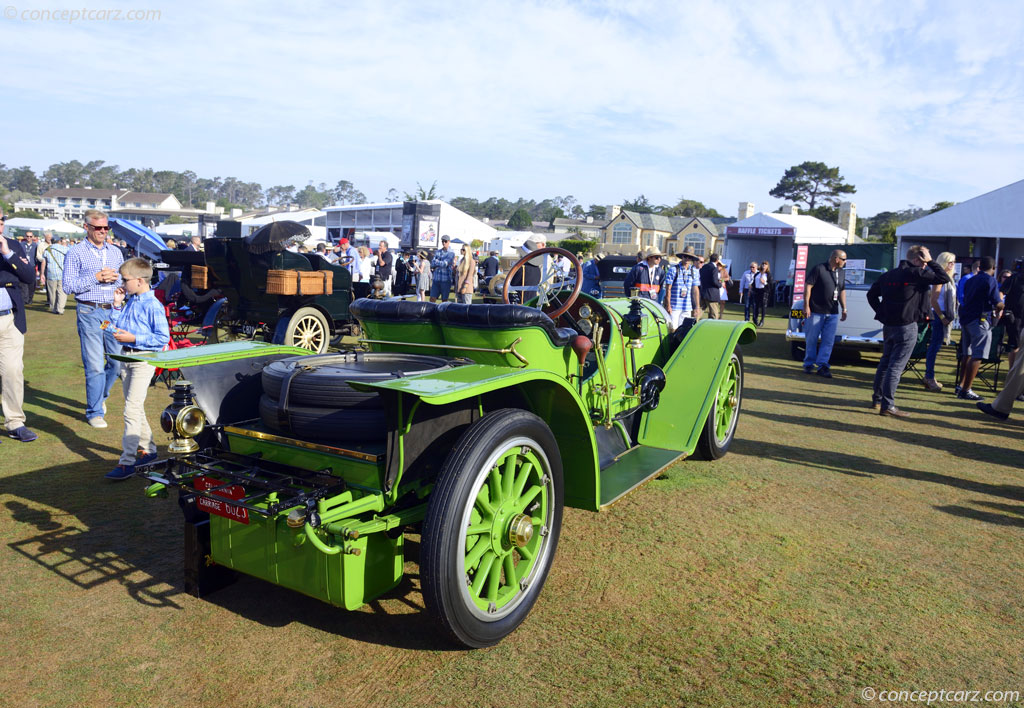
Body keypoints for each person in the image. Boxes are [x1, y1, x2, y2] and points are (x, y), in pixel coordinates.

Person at [104, 258, 170, 480]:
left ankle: (128, 461)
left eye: (125, 279)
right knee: (135, 407)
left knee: (131, 409)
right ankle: (149, 450)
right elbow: (112, 328)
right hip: (125, 357)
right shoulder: (130, 300)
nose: (122, 283)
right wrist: (116, 305)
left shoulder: (153, 306)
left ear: (140, 281)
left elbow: (162, 338)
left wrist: (134, 338)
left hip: (143, 360)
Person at [867, 245, 951, 417]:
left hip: (889, 325)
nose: (925, 265)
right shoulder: (915, 273)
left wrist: (882, 312)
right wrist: (931, 261)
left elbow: (871, 295)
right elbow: (943, 278)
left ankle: (878, 400)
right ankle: (887, 405)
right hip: (907, 325)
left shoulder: (888, 275)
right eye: (924, 260)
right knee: (896, 366)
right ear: (917, 259)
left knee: (886, 362)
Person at [62, 209, 125, 428]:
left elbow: (121, 283)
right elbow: (68, 286)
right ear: (86, 227)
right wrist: (96, 277)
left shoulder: (116, 252)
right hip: (89, 312)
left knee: (117, 363)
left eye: (106, 228)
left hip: (111, 313)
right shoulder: (75, 252)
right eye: (98, 228)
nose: (102, 231)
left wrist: (118, 283)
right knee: (95, 365)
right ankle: (95, 412)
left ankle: (101, 396)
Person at [0, 214, 38, 443]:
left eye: (1, 221)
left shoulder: (12, 246)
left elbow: (28, 277)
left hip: (10, 319)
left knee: (13, 372)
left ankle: (15, 422)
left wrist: (7, 253)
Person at [955, 256, 1004, 401]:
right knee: (978, 354)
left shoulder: (970, 280)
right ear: (993, 268)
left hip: (966, 318)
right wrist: (1001, 306)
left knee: (967, 354)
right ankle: (966, 390)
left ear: (979, 267)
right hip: (979, 319)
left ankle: (961, 385)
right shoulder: (990, 280)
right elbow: (996, 301)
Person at [802, 249, 848, 378]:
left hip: (832, 312)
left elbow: (842, 290)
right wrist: (806, 305)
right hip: (816, 311)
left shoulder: (841, 272)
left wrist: (844, 308)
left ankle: (822, 365)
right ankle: (808, 364)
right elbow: (808, 286)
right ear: (836, 259)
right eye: (844, 259)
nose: (845, 262)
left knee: (828, 341)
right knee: (811, 339)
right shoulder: (819, 269)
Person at [922, 252, 957, 391]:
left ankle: (929, 376)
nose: (953, 265)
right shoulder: (940, 278)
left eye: (954, 262)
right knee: (934, 347)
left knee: (935, 347)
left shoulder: (949, 278)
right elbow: (933, 300)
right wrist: (942, 317)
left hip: (942, 315)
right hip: (938, 316)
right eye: (950, 262)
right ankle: (929, 377)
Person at [663, 247, 700, 328]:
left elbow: (695, 290)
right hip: (674, 306)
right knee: (672, 328)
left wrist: (697, 307)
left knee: (684, 330)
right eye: (685, 256)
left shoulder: (695, 271)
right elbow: (668, 288)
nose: (687, 259)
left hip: (687, 306)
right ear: (682, 257)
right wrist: (668, 305)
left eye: (689, 257)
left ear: (692, 259)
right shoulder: (673, 269)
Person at [41, 232, 69, 315]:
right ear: (59, 241)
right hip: (62, 273)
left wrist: (42, 273)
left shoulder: (47, 250)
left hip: (51, 273)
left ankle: (53, 308)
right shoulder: (65, 249)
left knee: (52, 292)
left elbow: (43, 262)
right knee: (62, 292)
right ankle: (60, 309)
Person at [429, 236, 456, 302]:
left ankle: (442, 312)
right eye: (442, 241)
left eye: (445, 241)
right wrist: (440, 263)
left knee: (444, 300)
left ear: (449, 242)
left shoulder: (451, 253)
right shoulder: (438, 252)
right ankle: (432, 312)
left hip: (446, 280)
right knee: (432, 299)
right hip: (436, 279)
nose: (444, 243)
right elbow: (432, 264)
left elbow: (445, 263)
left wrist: (437, 262)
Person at [699, 253, 723, 319]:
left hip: (703, 291)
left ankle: (692, 324)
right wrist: (720, 284)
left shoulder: (704, 267)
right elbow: (714, 281)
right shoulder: (714, 268)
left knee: (699, 311)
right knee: (714, 314)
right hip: (712, 294)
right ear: (717, 260)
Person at [751, 261, 772, 327]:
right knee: (756, 306)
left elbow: (770, 286)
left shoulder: (768, 275)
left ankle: (762, 320)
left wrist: (764, 282)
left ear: (767, 267)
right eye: (763, 264)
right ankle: (755, 318)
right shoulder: (757, 274)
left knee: (763, 306)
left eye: (765, 265)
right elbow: (754, 283)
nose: (763, 265)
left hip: (764, 291)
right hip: (757, 291)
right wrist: (752, 289)